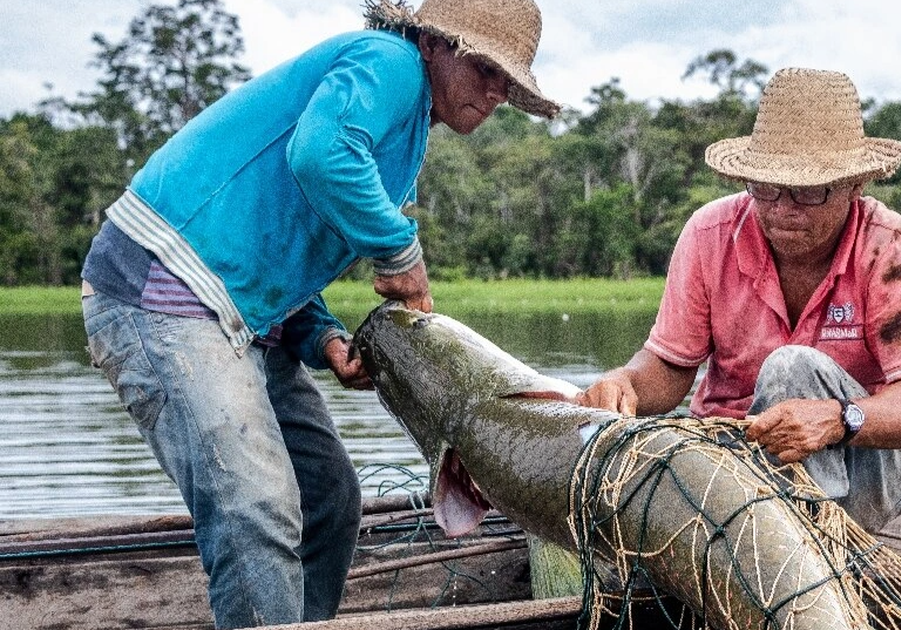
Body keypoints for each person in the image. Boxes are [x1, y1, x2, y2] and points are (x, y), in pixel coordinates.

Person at [78, 0, 559, 627]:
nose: (494, 93)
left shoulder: (406, 126)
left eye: (507, 82)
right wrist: (399, 249)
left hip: (239, 319)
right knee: (257, 507)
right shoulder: (391, 62)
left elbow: (286, 250)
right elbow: (320, 155)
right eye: (485, 69)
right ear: (436, 44)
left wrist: (323, 337)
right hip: (163, 292)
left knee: (328, 497)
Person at [577, 68, 901, 533]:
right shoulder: (709, 234)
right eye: (766, 188)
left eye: (808, 192)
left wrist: (839, 419)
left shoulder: (892, 246)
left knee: (791, 367)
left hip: (867, 467)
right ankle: (760, 534)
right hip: (734, 463)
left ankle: (808, 545)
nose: (781, 210)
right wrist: (626, 383)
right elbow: (670, 369)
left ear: (854, 186)